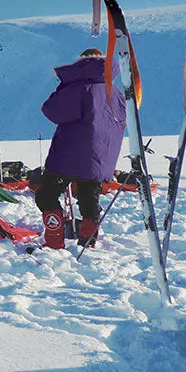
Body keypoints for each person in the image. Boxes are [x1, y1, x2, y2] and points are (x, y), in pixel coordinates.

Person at [35, 49, 126, 249]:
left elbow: (52, 111)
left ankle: (54, 240)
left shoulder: (80, 86)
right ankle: (88, 240)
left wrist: (65, 87)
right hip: (102, 155)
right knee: (88, 196)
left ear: (82, 65)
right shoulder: (116, 92)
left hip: (70, 154)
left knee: (47, 194)